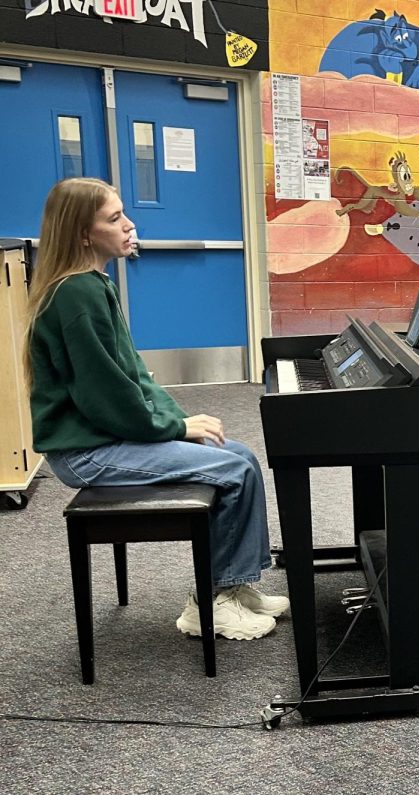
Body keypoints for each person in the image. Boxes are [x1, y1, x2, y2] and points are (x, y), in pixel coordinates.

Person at [24, 178, 288, 641]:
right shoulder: (76, 296)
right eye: (114, 218)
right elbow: (104, 395)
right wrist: (174, 427)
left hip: (104, 436)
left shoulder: (92, 284)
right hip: (87, 451)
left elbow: (134, 377)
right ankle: (211, 602)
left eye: (124, 213)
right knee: (235, 470)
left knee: (241, 455)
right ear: (83, 233)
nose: (129, 225)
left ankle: (235, 584)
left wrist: (178, 423)